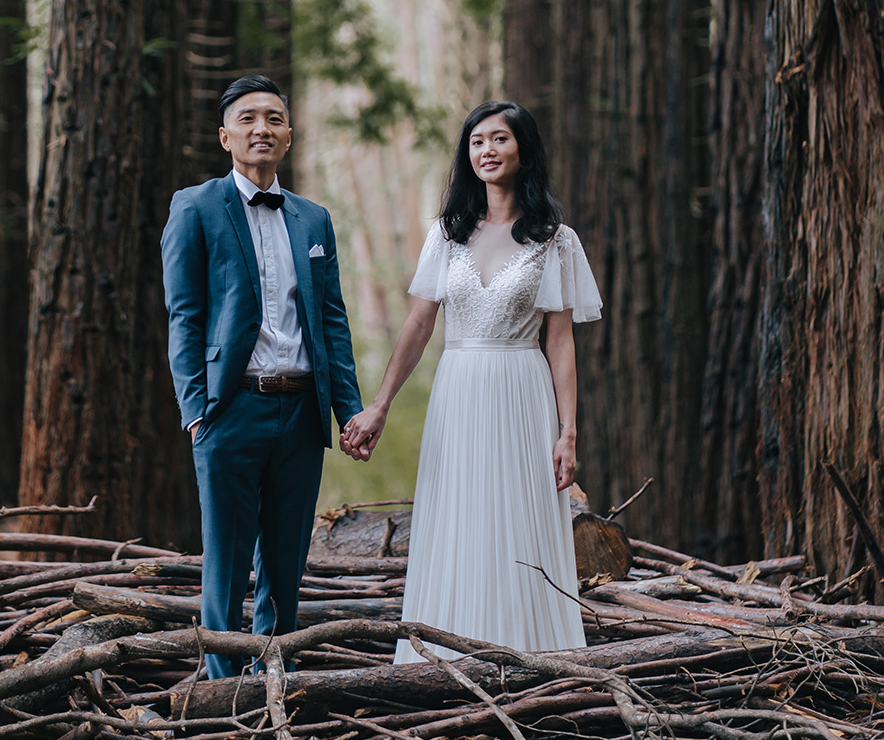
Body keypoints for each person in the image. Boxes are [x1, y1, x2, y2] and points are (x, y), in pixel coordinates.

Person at [342, 100, 600, 660]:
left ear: (523, 149)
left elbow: (559, 341)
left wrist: (567, 430)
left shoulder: (555, 240)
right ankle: (445, 655)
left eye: (500, 139)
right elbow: (417, 324)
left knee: (519, 518)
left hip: (521, 390)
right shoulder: (447, 235)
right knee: (457, 516)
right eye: (477, 140)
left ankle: (529, 654)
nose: (487, 149)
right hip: (458, 390)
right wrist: (379, 405)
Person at [161, 74, 367, 679]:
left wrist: (346, 409)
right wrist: (197, 408)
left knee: (285, 558)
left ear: (289, 135)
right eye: (248, 119)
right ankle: (223, 697)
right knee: (224, 563)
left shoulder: (312, 219)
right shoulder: (195, 207)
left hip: (302, 411)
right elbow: (184, 315)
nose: (262, 129)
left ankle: (274, 682)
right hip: (230, 410)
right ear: (225, 136)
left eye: (274, 119)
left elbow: (332, 320)